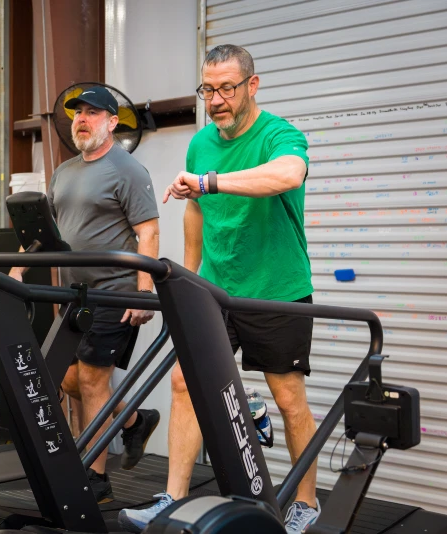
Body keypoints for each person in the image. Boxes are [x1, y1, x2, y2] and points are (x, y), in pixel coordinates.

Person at [119, 45, 319, 534]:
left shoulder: (279, 134)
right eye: (208, 89)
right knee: (184, 383)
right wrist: (188, 280)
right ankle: (173, 497)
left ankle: (306, 504)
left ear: (252, 85)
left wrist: (210, 181)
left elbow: (287, 175)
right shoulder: (201, 142)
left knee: (288, 398)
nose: (216, 100)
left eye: (227, 88)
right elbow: (195, 210)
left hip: (276, 290)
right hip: (215, 287)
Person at [9, 85, 161, 503]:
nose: (82, 119)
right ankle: (132, 421)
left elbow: (148, 230)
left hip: (114, 292)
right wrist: (17, 269)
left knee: (93, 381)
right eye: (78, 112)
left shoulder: (127, 169)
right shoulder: (65, 171)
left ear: (113, 122)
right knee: (66, 377)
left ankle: (95, 478)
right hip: (71, 296)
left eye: (94, 113)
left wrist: (142, 293)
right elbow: (46, 234)